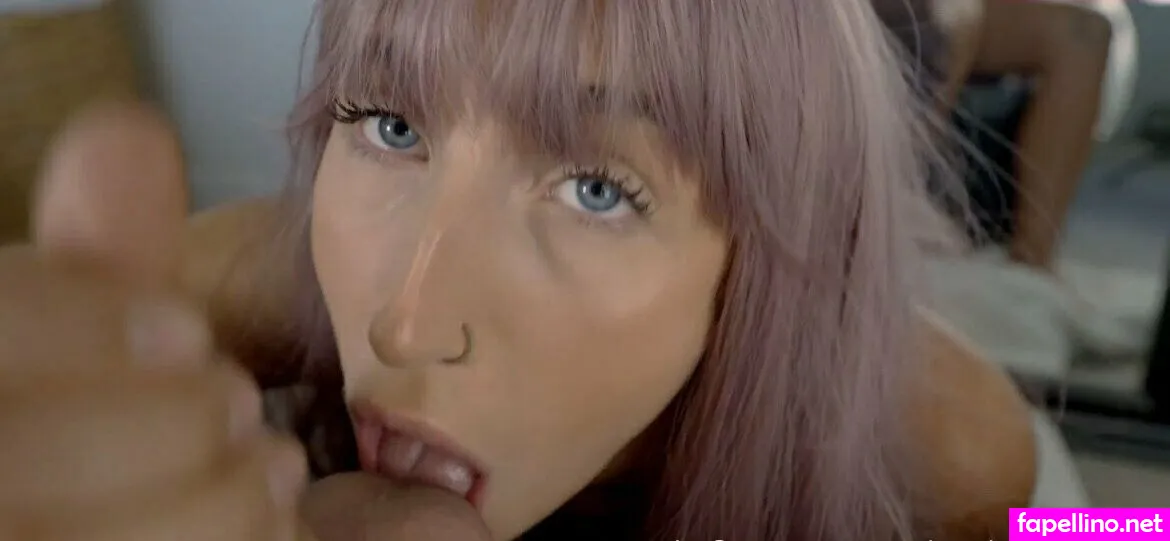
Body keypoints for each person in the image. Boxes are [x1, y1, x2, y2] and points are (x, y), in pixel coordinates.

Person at [0, 2, 1037, 540]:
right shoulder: (238, 287)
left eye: (596, 189)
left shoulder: (947, 430)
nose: (407, 324)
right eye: (391, 124)